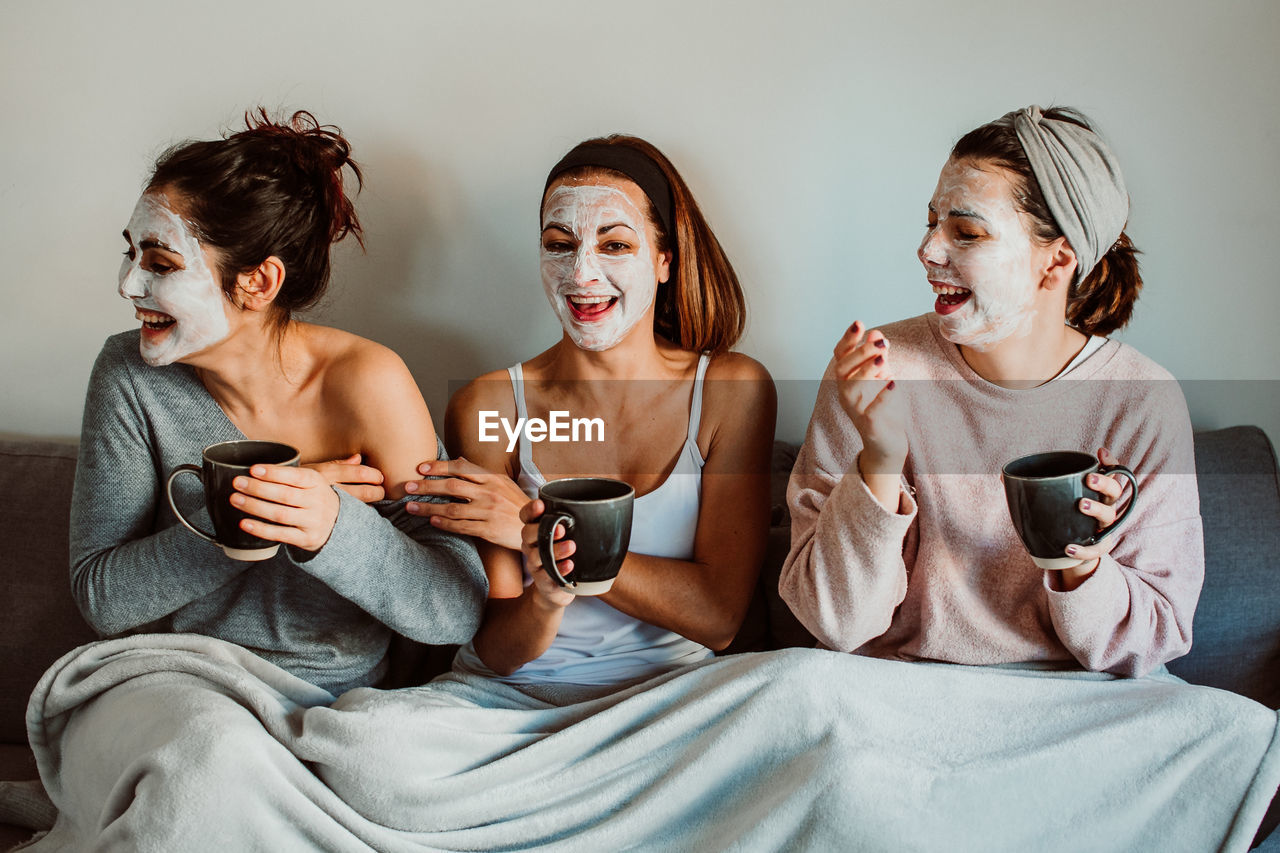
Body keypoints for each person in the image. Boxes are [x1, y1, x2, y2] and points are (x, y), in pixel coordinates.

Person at [70, 109, 487, 695]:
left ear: (258, 283)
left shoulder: (369, 382)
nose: (128, 285)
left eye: (160, 264)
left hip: (333, 703)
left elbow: (453, 610)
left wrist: (329, 525)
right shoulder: (129, 374)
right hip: (173, 684)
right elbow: (102, 597)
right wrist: (247, 519)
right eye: (131, 254)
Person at [780, 106, 1204, 679]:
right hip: (892, 694)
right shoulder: (875, 369)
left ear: (1055, 262)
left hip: (1076, 704)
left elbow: (1152, 641)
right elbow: (832, 621)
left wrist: (1077, 560)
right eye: (931, 222)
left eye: (967, 232)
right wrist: (878, 461)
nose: (927, 250)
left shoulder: (1141, 400)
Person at [404, 134, 776, 693]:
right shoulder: (490, 404)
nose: (581, 274)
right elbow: (500, 651)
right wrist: (549, 592)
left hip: (671, 699)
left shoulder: (731, 390)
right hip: (516, 697)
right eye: (559, 244)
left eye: (616, 245)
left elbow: (717, 619)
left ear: (664, 260)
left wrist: (548, 536)